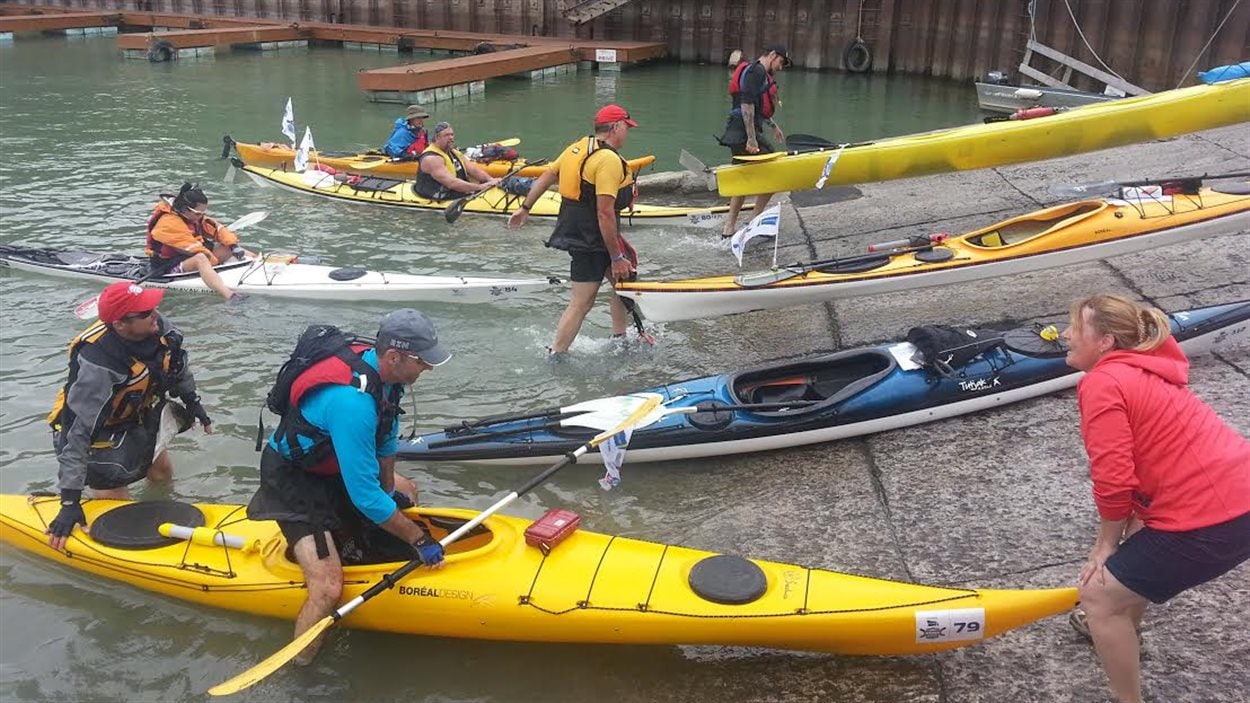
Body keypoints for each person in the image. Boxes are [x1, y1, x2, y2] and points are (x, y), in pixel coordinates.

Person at [1062, 294, 1250, 703]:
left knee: (1098, 595)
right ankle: (1127, 628)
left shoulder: (1103, 382)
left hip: (1215, 518)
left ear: (1105, 341)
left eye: (1076, 328)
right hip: (1239, 494)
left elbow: (1112, 478)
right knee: (1138, 549)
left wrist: (1105, 544)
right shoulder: (1144, 369)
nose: (1065, 335)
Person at [246, 309, 451, 664]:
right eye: (423, 362)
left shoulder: (385, 375)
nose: (428, 369)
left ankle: (352, 541)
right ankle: (300, 669)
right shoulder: (351, 402)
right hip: (296, 479)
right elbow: (363, 496)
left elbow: (385, 441)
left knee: (408, 490)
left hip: (333, 466)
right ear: (394, 356)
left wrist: (389, 492)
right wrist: (419, 539)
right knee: (328, 588)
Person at [45, 282, 213, 550]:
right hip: (96, 432)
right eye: (145, 312)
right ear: (120, 325)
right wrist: (69, 502)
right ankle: (125, 537)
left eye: (153, 306)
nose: (155, 314)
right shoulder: (98, 363)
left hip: (136, 414)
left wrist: (193, 403)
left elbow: (178, 367)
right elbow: (76, 434)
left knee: (161, 470)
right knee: (115, 497)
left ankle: (160, 510)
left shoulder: (158, 327)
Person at [506, 104, 639, 354]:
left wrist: (525, 208)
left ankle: (620, 338)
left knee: (626, 284)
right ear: (616, 127)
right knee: (584, 300)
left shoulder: (576, 148)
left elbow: (548, 175)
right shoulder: (608, 159)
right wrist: (616, 256)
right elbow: (604, 212)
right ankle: (557, 352)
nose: (627, 133)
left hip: (578, 229)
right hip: (596, 235)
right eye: (626, 128)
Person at [718, 44, 791, 238]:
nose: (780, 67)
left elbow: (756, 108)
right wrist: (751, 139)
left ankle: (729, 228)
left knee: (744, 178)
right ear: (773, 55)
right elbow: (746, 105)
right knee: (774, 174)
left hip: (736, 132)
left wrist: (773, 125)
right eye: (781, 62)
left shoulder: (755, 72)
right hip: (743, 134)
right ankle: (754, 221)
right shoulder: (756, 72)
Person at [145, 183, 254, 301]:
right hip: (167, 266)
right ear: (184, 209)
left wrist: (233, 245)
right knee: (201, 258)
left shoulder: (193, 216)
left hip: (189, 257)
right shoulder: (168, 223)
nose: (201, 216)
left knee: (227, 247)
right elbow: (195, 250)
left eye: (203, 213)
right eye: (198, 213)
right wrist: (213, 262)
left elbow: (217, 229)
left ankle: (261, 260)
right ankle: (230, 295)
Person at [414, 122, 534, 201]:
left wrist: (490, 180)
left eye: (452, 134)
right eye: (446, 135)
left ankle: (532, 187)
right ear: (437, 138)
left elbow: (473, 170)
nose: (451, 137)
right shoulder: (432, 159)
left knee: (508, 182)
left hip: (456, 192)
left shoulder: (453, 152)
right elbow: (452, 183)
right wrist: (480, 187)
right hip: (439, 195)